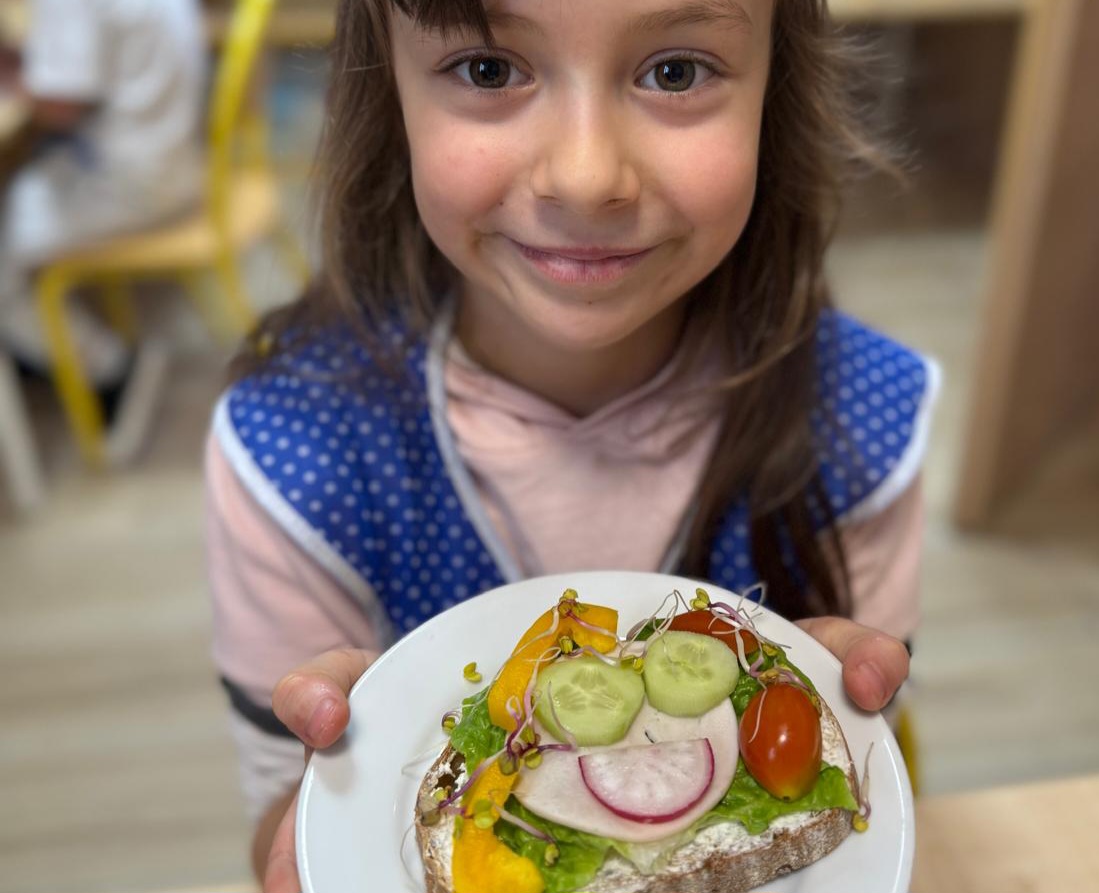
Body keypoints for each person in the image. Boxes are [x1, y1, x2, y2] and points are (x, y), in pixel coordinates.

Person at [203, 1, 938, 889]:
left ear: (776, 89)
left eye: (675, 71)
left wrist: (845, 718)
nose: (587, 178)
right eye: (488, 69)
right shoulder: (294, 458)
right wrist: (335, 804)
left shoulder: (861, 424)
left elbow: (878, 796)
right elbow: (277, 820)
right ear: (385, 91)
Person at [0, 0, 206, 395]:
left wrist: (12, 77)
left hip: (133, 184)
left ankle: (110, 373)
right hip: (177, 159)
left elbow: (61, 107)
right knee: (25, 182)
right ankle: (42, 347)